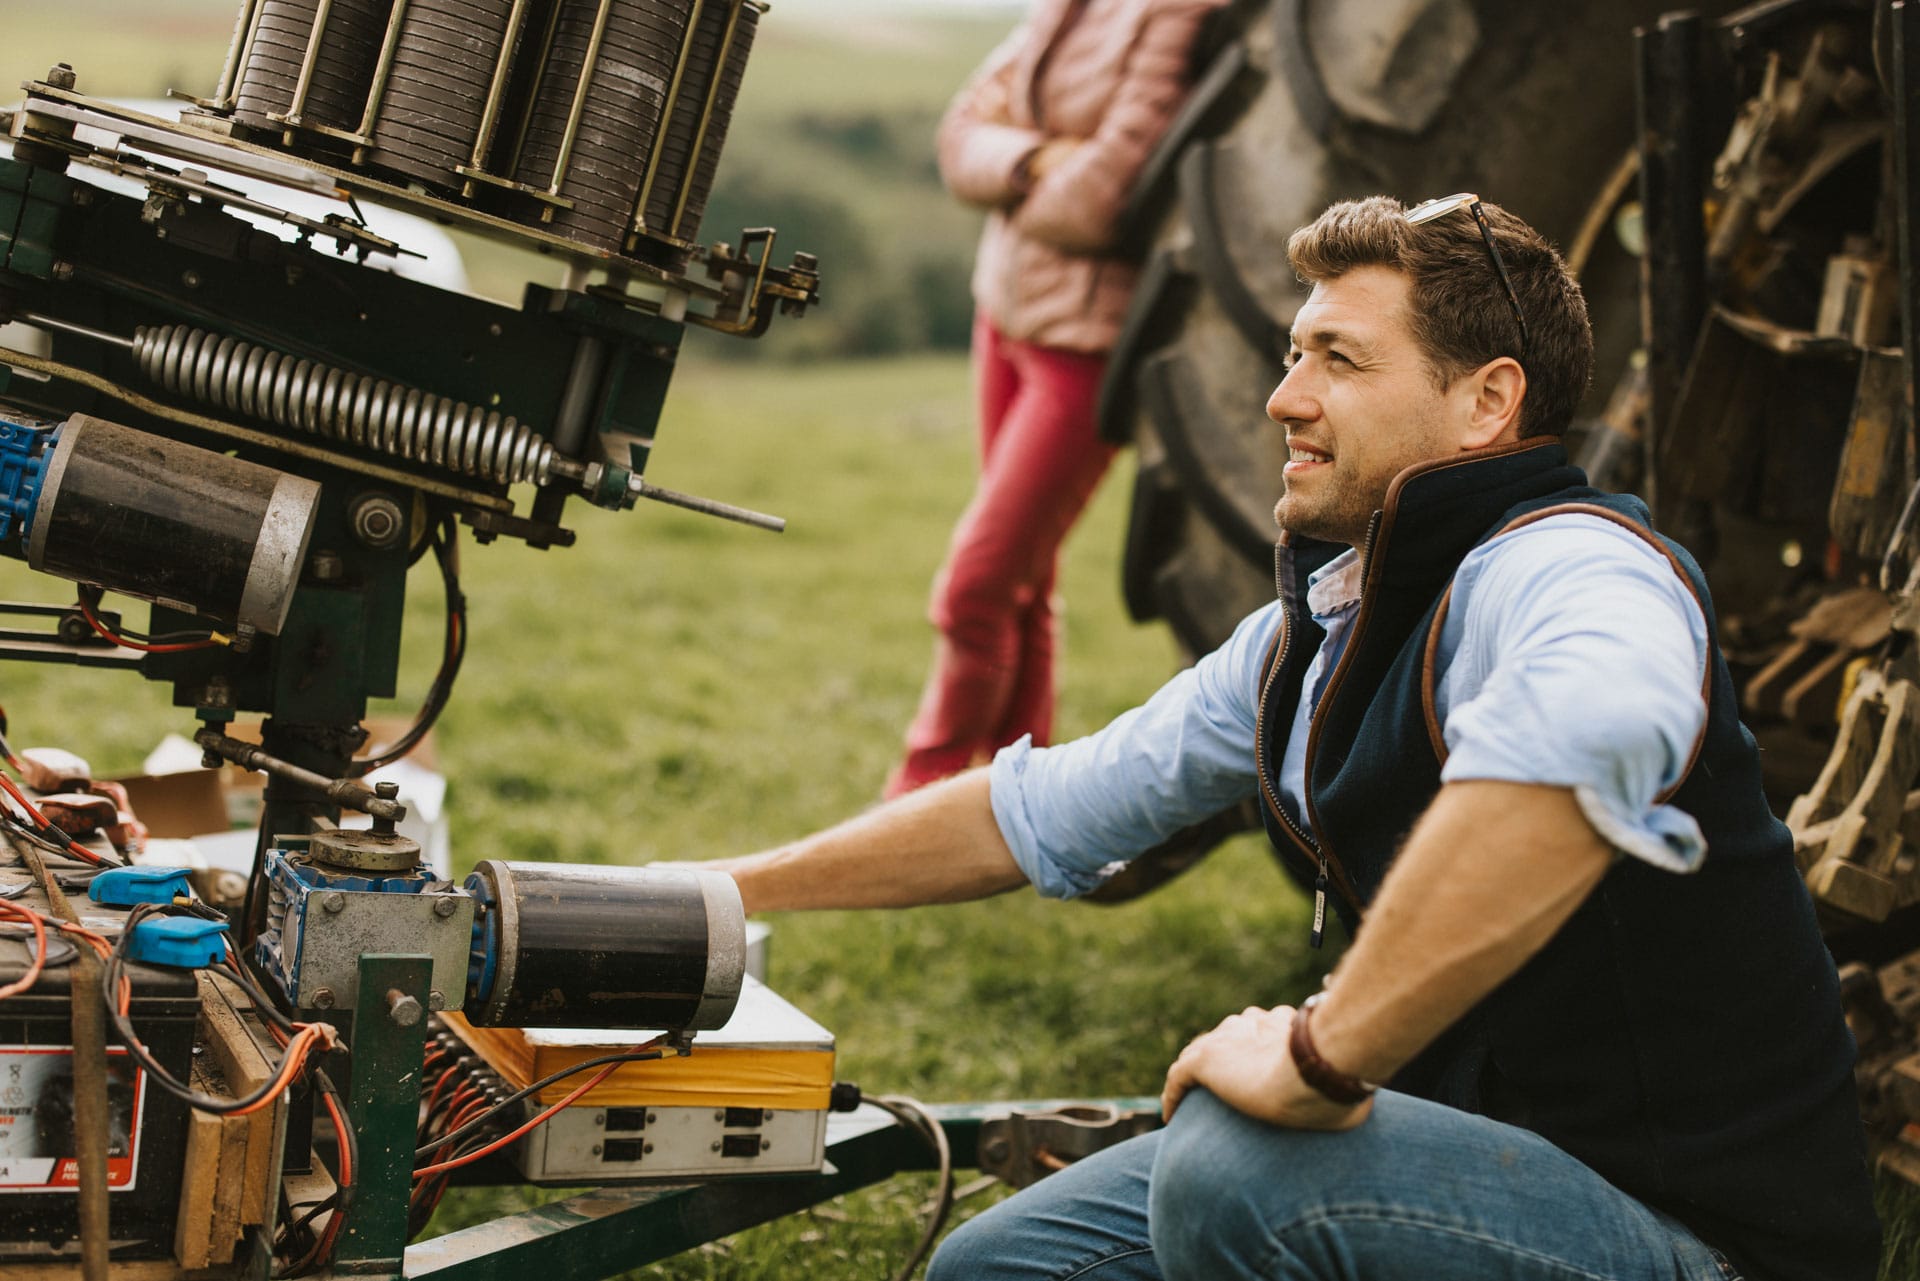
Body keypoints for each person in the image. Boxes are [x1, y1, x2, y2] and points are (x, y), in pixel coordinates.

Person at [704, 195, 1881, 1280]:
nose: (1285, 397)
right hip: (1480, 1158)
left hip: (1697, 1239)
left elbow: (1566, 773)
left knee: (1239, 1172)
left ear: (1487, 402)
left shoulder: (1578, 571)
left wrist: (1321, 1055)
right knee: (1001, 1270)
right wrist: (711, 889)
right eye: (1292, 354)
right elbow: (1038, 813)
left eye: (1339, 360)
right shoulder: (1325, 627)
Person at [886, 0, 1229, 798]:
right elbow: (960, 133)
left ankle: (918, 793)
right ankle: (1018, 801)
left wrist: (1011, 170)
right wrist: (1042, 160)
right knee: (1024, 581)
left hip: (1083, 347)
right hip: (1003, 313)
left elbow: (1105, 201)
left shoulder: (1179, 9)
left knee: (976, 587)